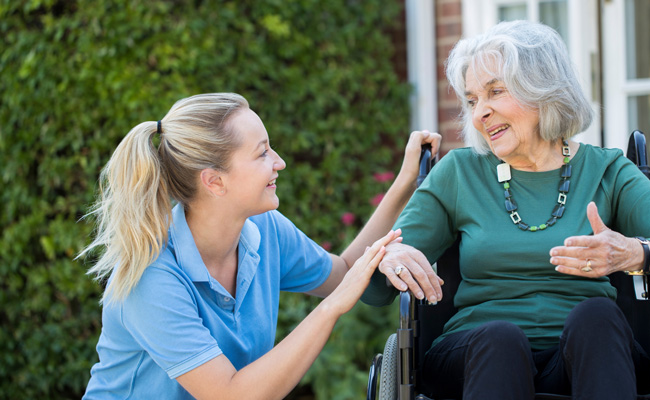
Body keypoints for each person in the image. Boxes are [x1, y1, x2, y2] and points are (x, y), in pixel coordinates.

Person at [362, 21, 650, 399]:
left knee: (597, 317)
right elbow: (376, 291)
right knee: (500, 338)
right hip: (478, 357)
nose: (480, 113)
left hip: (589, 357)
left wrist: (635, 253)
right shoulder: (459, 174)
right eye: (473, 100)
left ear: (543, 88)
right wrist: (388, 256)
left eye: (496, 91)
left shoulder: (607, 170)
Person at [78, 93, 441, 399]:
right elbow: (231, 394)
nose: (279, 163)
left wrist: (406, 181)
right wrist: (332, 307)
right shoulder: (151, 277)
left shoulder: (262, 229)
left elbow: (343, 272)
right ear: (215, 182)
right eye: (262, 153)